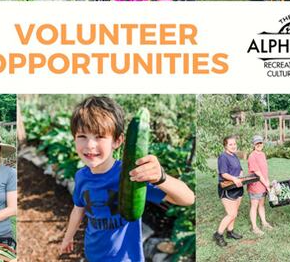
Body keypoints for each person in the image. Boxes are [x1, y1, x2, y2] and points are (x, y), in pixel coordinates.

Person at [59, 97, 195, 261]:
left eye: (99, 136)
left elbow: (188, 199)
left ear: (117, 141)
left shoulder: (133, 175)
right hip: (93, 254)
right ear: (74, 138)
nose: (90, 145)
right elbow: (78, 208)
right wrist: (68, 237)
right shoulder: (81, 176)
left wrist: (161, 178)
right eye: (82, 136)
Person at [213, 135, 244, 247]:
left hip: (238, 187)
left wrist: (240, 173)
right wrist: (234, 178)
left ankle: (230, 232)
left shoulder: (234, 156)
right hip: (227, 188)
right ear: (225, 145)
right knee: (231, 213)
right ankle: (218, 234)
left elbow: (239, 169)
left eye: (234, 144)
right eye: (230, 144)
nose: (233, 146)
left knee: (234, 212)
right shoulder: (223, 157)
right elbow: (223, 173)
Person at [246, 135, 273, 235]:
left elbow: (264, 171)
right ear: (253, 145)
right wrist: (266, 184)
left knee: (261, 205)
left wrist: (267, 181)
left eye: (260, 143)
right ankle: (254, 227)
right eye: (257, 143)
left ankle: (264, 222)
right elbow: (258, 173)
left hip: (263, 185)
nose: (259, 145)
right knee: (254, 206)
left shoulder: (262, 154)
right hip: (255, 185)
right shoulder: (252, 156)